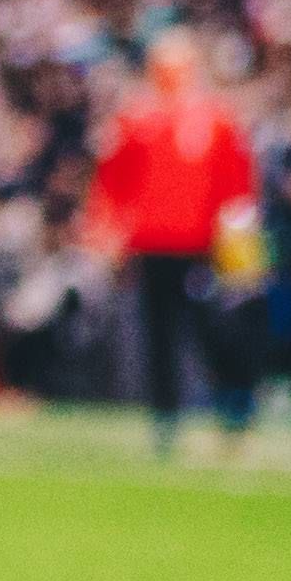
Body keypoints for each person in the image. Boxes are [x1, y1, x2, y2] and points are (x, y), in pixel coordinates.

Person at [90, 37, 261, 456]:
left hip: (203, 246)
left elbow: (237, 188)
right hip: (151, 245)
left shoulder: (216, 119)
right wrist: (107, 235)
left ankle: (233, 403)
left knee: (214, 329)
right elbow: (112, 183)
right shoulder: (135, 120)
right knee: (159, 334)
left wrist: (242, 251)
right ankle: (166, 417)